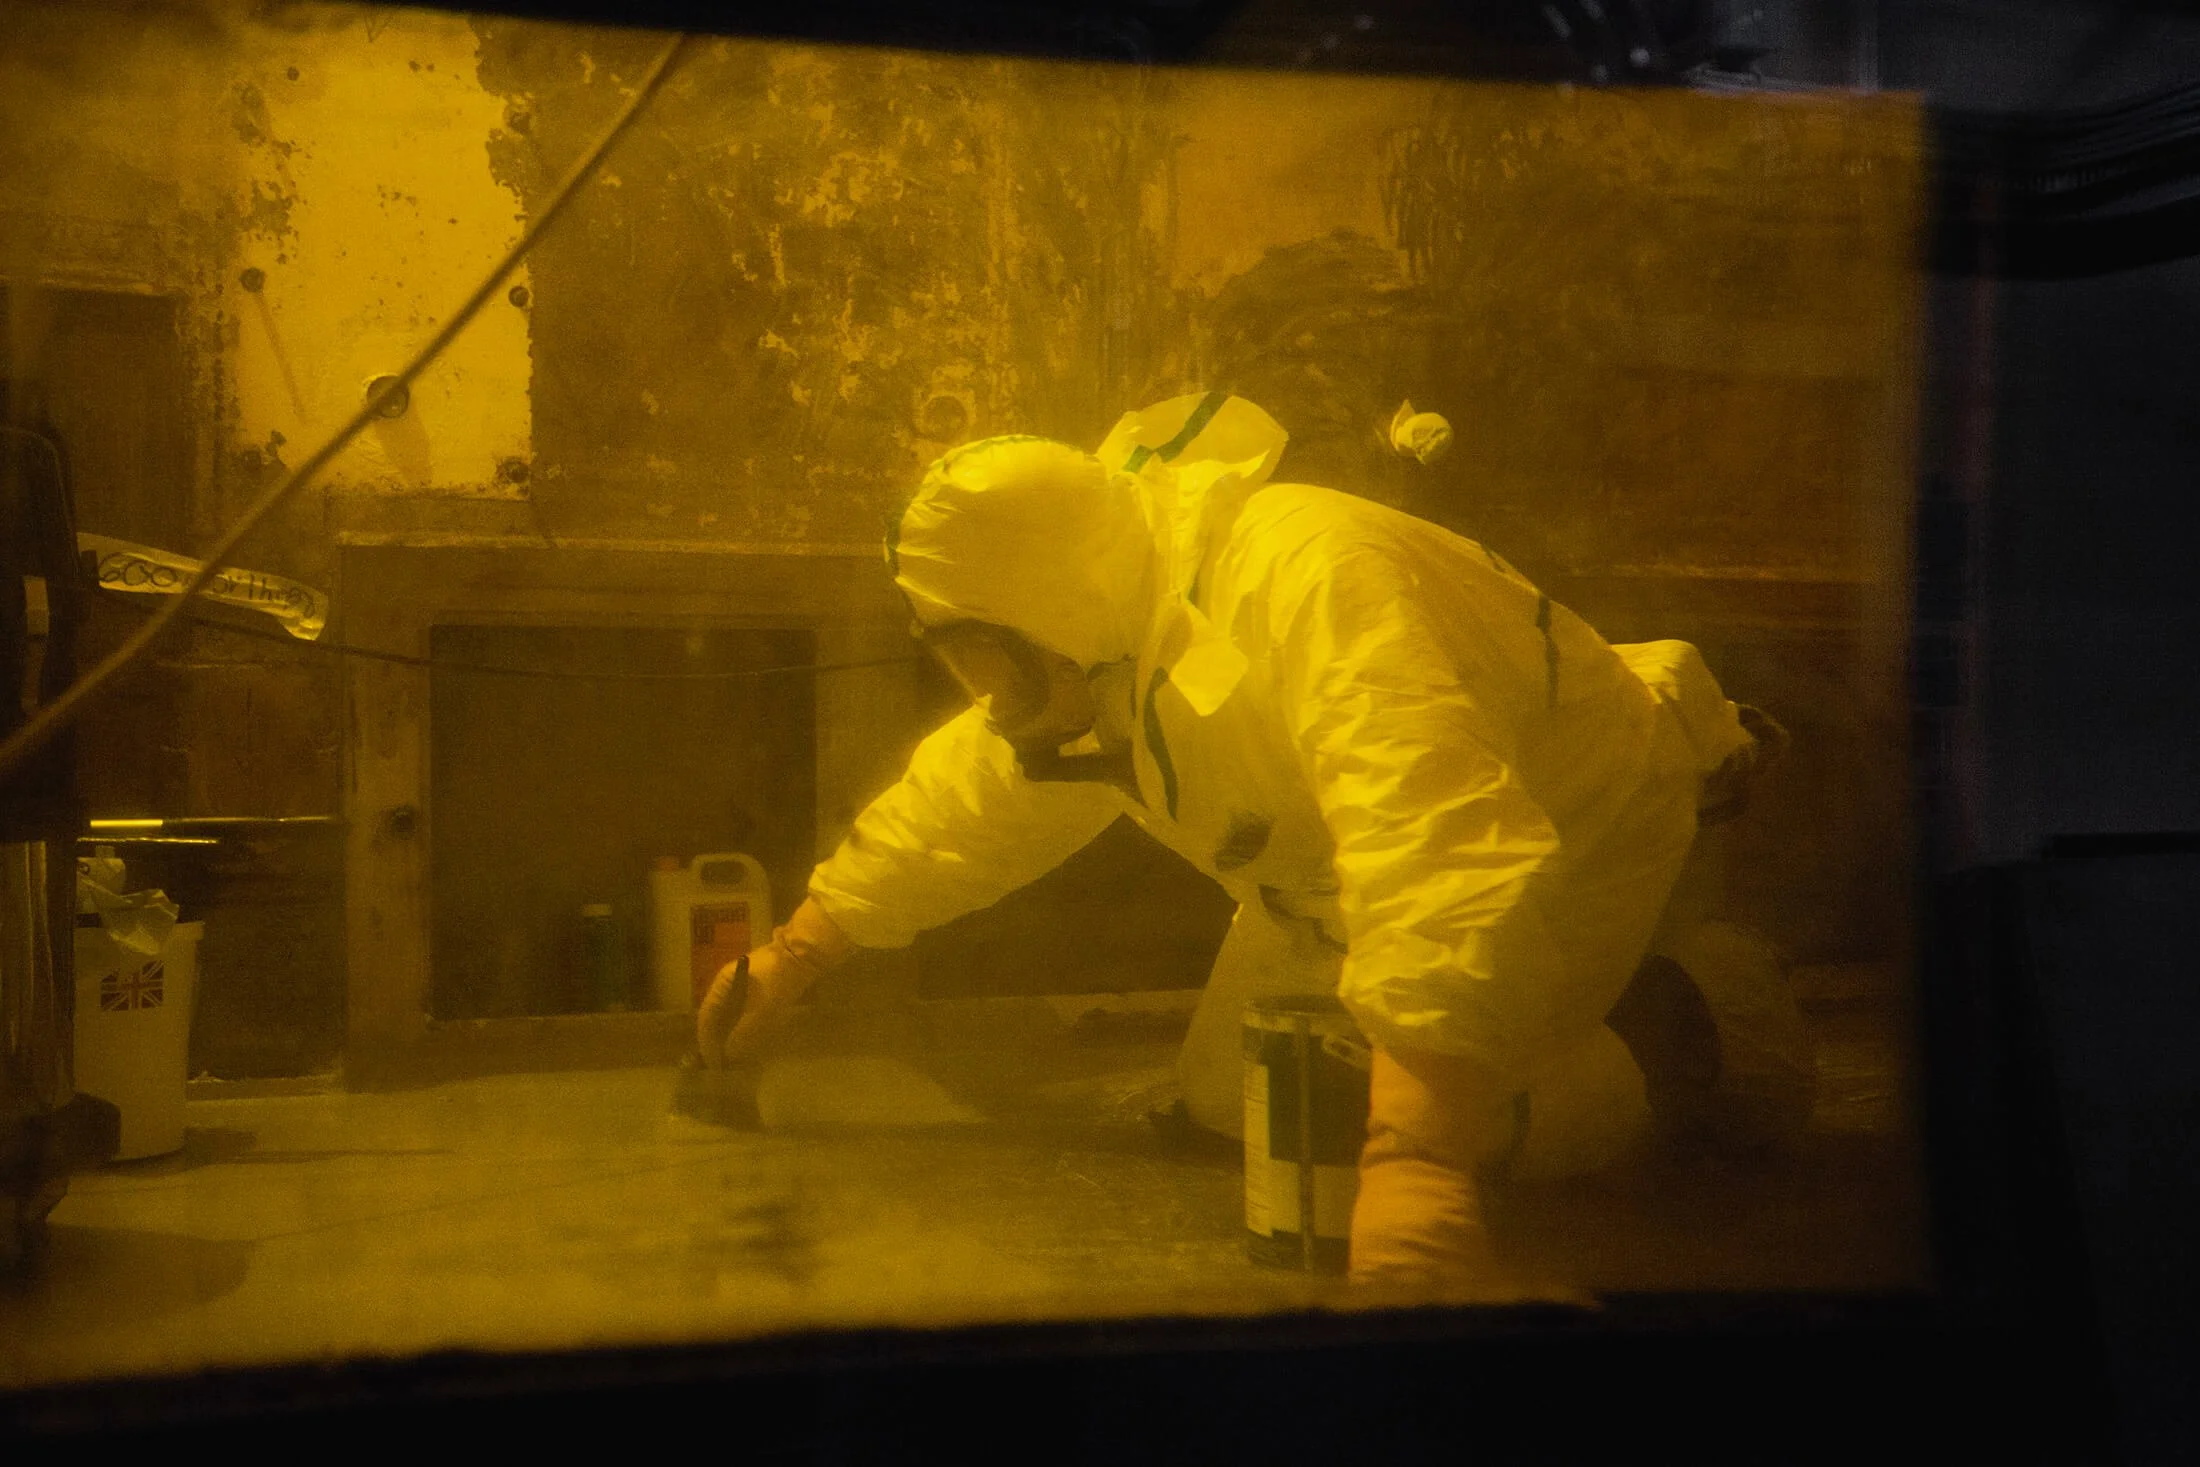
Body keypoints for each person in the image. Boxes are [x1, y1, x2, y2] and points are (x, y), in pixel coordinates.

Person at [698, 391, 1799, 1290]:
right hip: (1327, 876)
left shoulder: (1308, 574)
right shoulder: (1108, 629)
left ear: (1045, 609)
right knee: (1253, 1115)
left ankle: (1686, 1018)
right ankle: (1455, 1078)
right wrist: (798, 957)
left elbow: (1429, 824)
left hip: (1563, 828)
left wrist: (1416, 1159)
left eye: (983, 661)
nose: (985, 696)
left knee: (1477, 1132)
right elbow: (973, 801)